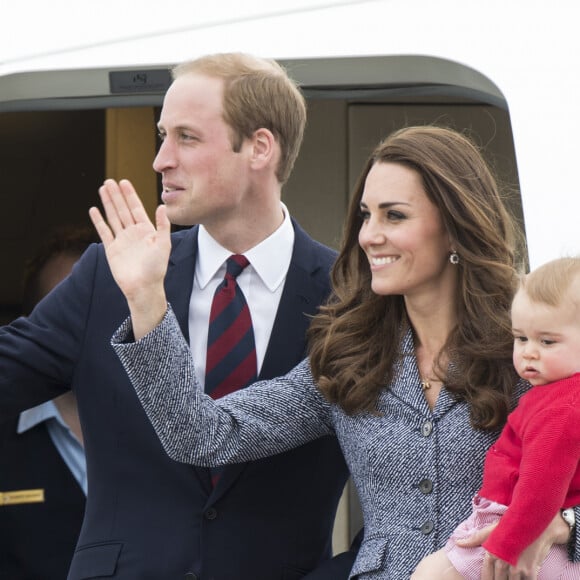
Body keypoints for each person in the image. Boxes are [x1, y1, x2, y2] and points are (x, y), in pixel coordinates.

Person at [92, 124, 580, 579]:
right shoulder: (351, 355)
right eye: (366, 215)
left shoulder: (535, 350)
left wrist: (564, 527)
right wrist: (146, 299)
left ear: (454, 227)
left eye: (395, 215)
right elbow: (204, 437)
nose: (369, 235)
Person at [0, 53, 353, 579]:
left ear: (259, 147)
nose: (161, 159)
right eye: (162, 135)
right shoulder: (107, 275)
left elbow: (409, 485)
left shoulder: (350, 297)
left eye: (186, 137)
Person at [411, 256, 580, 579]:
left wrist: (509, 542)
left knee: (431, 575)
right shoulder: (553, 393)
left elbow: (541, 485)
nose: (529, 352)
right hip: (513, 523)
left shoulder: (563, 407)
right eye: (521, 338)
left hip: (515, 526)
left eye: (547, 341)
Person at [0, 227, 95, 580]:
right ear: (31, 325)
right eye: (64, 310)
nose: (83, 324)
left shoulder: (172, 428)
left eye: (98, 304)